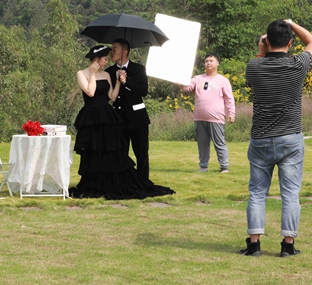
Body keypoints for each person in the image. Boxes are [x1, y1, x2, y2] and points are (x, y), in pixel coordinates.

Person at [239, 19, 312, 257]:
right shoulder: (298, 64)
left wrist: (261, 51)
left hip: (261, 138)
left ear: (267, 42)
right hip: (290, 138)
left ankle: (254, 244)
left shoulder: (254, 66)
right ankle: (288, 245)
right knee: (290, 194)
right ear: (290, 42)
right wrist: (293, 23)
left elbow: (256, 70)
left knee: (257, 194)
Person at [70, 44, 175, 200]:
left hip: (108, 116)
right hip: (91, 117)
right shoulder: (82, 73)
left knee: (111, 150)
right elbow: (90, 92)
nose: (107, 61)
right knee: (93, 150)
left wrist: (120, 81)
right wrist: (92, 73)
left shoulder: (107, 74)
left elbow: (112, 97)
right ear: (97, 59)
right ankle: (93, 181)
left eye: (108, 58)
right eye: (105, 58)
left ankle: (119, 180)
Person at [181, 53, 236, 173]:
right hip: (199, 118)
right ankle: (203, 166)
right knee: (202, 144)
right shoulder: (198, 79)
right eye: (206, 61)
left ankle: (224, 166)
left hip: (216, 118)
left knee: (219, 143)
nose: (208, 63)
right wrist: (180, 82)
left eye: (211, 61)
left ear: (217, 63)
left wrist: (231, 114)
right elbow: (187, 88)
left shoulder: (223, 81)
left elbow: (229, 99)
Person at [106, 38, 151, 181]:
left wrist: (126, 81)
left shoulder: (138, 69)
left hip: (138, 118)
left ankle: (143, 182)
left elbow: (143, 91)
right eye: (112, 49)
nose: (112, 52)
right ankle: (123, 182)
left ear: (125, 52)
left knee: (141, 153)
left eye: (115, 49)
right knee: (120, 153)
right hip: (118, 118)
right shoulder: (109, 72)